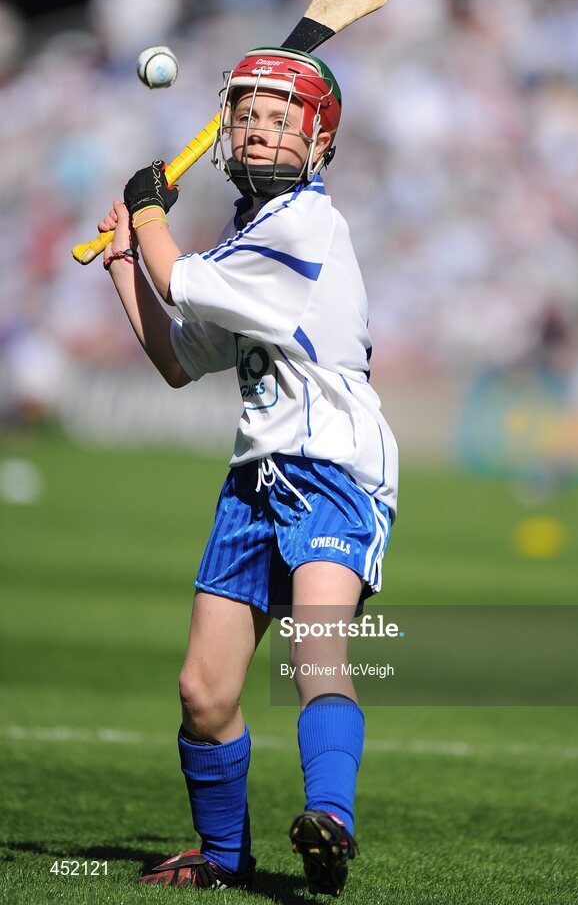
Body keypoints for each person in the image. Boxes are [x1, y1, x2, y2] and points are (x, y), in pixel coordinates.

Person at [98, 47, 398, 896]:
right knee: (203, 691)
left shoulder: (305, 225)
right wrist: (127, 262)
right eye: (246, 116)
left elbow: (183, 282)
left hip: (334, 466)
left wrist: (149, 208)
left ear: (319, 142)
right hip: (256, 477)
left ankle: (330, 818)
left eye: (280, 119)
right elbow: (179, 358)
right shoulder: (248, 236)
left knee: (316, 651)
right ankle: (223, 857)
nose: (258, 132)